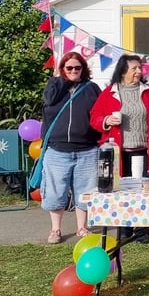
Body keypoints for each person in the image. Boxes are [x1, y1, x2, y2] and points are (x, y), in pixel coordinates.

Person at [90, 54, 149, 243]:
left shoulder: (148, 92)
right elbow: (94, 117)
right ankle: (124, 227)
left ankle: (142, 231)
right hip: (117, 152)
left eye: (140, 68)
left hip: (143, 150)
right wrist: (106, 121)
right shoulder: (109, 92)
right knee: (120, 190)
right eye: (134, 68)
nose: (139, 72)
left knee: (144, 190)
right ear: (123, 71)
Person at [40, 52, 102, 243]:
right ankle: (55, 230)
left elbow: (100, 112)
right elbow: (48, 101)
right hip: (57, 149)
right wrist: (60, 81)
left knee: (85, 190)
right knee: (55, 191)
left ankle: (82, 228)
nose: (74, 71)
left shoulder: (91, 88)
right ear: (62, 69)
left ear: (83, 69)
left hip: (87, 149)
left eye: (77, 67)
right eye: (69, 68)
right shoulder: (55, 86)